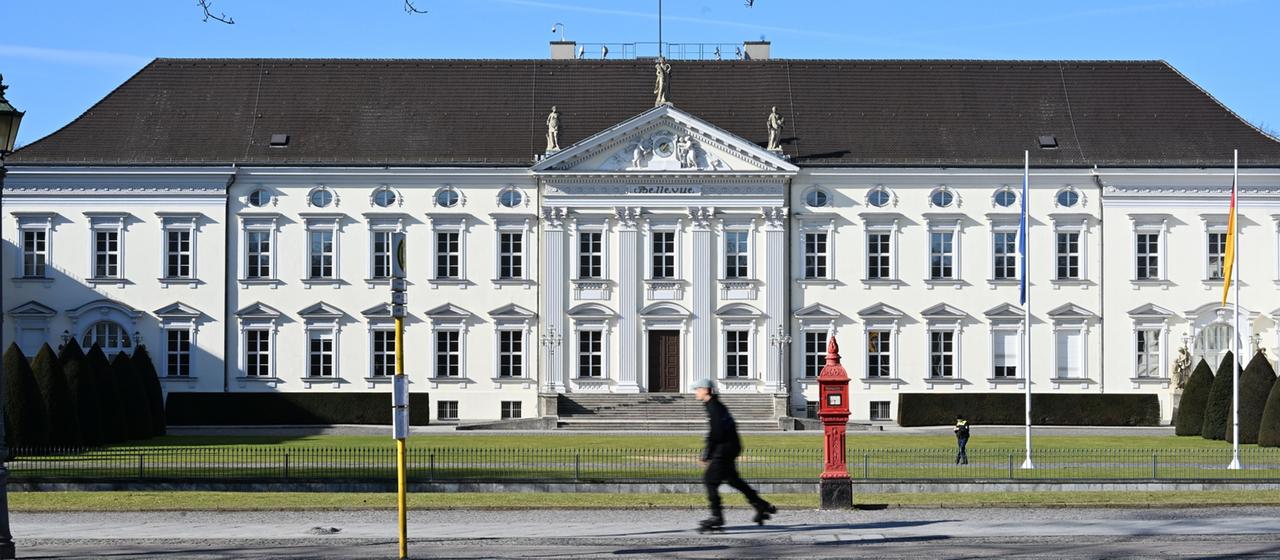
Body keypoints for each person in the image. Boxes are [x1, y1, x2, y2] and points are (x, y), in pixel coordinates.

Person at [693, 378, 775, 530]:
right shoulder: (716, 406)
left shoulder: (713, 407)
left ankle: (716, 516)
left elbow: (716, 433)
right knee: (733, 480)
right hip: (731, 446)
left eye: (697, 389)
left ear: (706, 390)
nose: (695, 392)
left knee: (710, 480)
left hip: (724, 448)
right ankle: (761, 505)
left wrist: (707, 454)